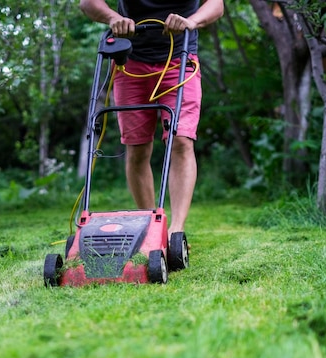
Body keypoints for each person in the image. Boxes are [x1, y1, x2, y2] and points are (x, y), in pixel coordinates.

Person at [79, 0, 224, 238]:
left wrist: (191, 22)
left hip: (180, 59)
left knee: (181, 141)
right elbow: (88, 3)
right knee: (136, 149)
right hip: (130, 63)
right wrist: (112, 18)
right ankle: (151, 229)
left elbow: (216, 5)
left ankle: (176, 230)